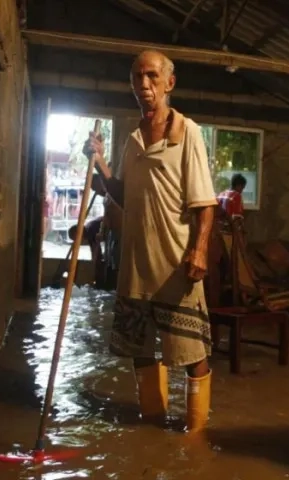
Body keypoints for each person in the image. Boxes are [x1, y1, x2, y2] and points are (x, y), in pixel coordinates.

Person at [85, 50, 218, 434]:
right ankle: (153, 427)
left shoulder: (187, 132)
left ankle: (195, 437)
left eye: (152, 77)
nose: (144, 85)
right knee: (139, 351)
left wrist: (200, 249)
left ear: (169, 83)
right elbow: (124, 195)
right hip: (135, 266)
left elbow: (205, 204)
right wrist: (99, 164)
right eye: (137, 78)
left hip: (176, 263)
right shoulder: (132, 140)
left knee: (192, 351)